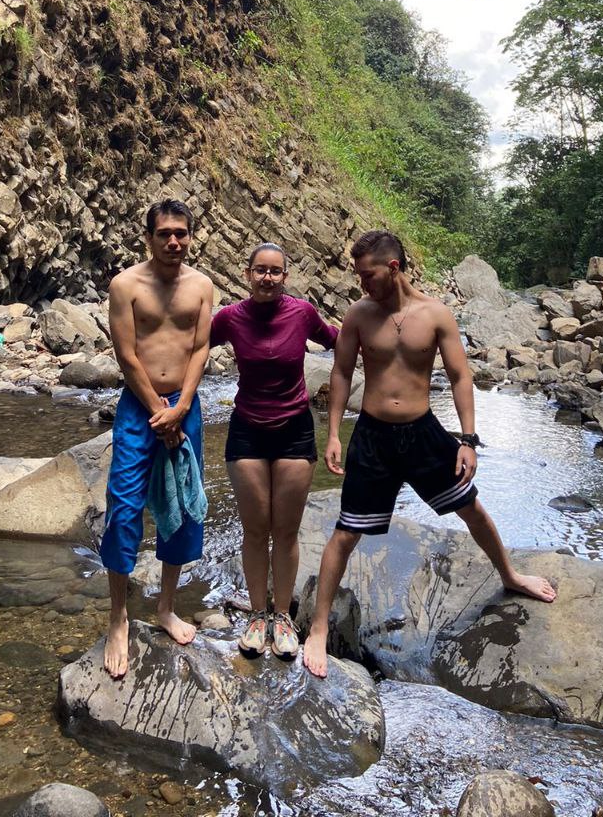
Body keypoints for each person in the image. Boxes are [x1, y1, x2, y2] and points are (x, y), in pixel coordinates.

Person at [303, 229, 556, 678]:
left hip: (423, 434)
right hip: (373, 437)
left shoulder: (435, 314)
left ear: (393, 268)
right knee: (346, 533)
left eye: (368, 275)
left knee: (472, 508)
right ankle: (319, 627)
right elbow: (341, 373)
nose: (362, 284)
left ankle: (510, 576)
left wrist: (469, 440)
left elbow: (460, 375)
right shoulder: (359, 315)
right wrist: (336, 433)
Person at [100, 198, 214, 678]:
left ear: (190, 236)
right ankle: (118, 616)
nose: (174, 241)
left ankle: (166, 607)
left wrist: (182, 407)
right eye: (165, 233)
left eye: (182, 233)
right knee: (124, 508)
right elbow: (126, 354)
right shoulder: (126, 285)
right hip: (139, 408)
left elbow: (201, 346)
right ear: (148, 236)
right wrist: (157, 410)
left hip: (183, 408)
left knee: (184, 507)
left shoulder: (202, 286)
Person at [209, 242, 339, 659]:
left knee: (285, 530)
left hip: (295, 430)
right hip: (246, 429)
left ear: (286, 276)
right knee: (254, 529)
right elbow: (192, 347)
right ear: (247, 274)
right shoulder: (230, 317)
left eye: (275, 271)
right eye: (260, 270)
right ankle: (257, 615)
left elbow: (340, 341)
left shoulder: (302, 313)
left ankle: (281, 617)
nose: (267, 277)